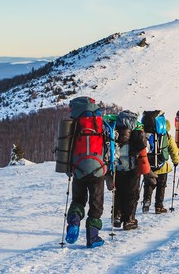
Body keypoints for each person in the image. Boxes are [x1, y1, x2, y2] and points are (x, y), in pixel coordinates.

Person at [64, 96, 107, 248]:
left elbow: (67, 147)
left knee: (78, 200)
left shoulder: (74, 122)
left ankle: (74, 222)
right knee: (96, 204)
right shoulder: (100, 119)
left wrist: (69, 168)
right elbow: (108, 144)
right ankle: (92, 237)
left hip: (79, 168)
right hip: (97, 168)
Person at [112, 110, 149, 230]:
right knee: (132, 194)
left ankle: (116, 216)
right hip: (132, 168)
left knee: (118, 192)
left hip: (117, 167)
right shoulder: (136, 130)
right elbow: (143, 146)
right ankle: (129, 220)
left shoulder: (115, 128)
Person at [141, 110, 179, 214]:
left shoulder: (145, 135)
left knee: (148, 184)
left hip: (148, 165)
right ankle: (159, 206)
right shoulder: (166, 136)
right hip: (162, 166)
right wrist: (176, 161)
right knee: (161, 186)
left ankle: (146, 202)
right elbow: (173, 149)